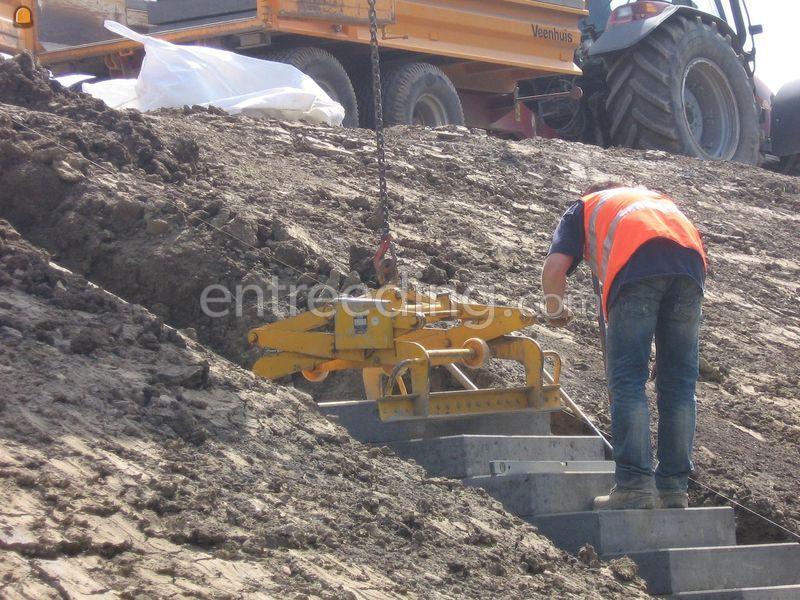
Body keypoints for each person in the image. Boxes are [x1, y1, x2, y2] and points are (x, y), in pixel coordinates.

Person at [541, 181, 706, 510]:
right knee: (679, 385)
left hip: (638, 271)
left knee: (628, 381)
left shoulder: (583, 208)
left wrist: (554, 308)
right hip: (690, 269)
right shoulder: (656, 199)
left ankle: (634, 486)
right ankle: (674, 489)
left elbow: (554, 269)